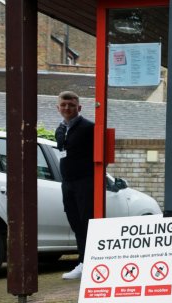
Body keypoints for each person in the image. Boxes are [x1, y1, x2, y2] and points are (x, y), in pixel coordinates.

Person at [55, 91, 95, 280]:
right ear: (58, 108)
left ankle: (87, 262)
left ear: (79, 108)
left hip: (85, 183)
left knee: (86, 223)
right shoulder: (60, 129)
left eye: (71, 105)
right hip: (68, 184)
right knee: (76, 223)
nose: (67, 108)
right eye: (64, 105)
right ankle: (83, 262)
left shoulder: (89, 127)